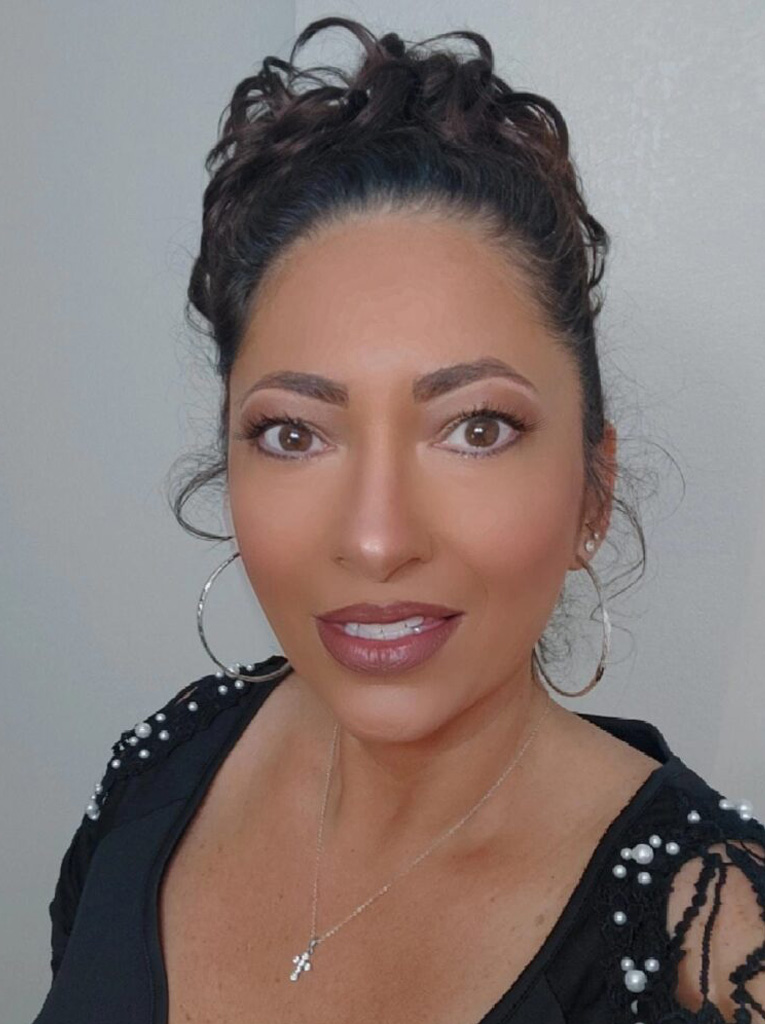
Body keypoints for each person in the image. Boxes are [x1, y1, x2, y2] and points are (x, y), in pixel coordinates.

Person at [33, 16, 764, 1024]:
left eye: (475, 427)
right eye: (294, 434)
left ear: (593, 490)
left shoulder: (718, 945)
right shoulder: (161, 768)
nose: (377, 539)